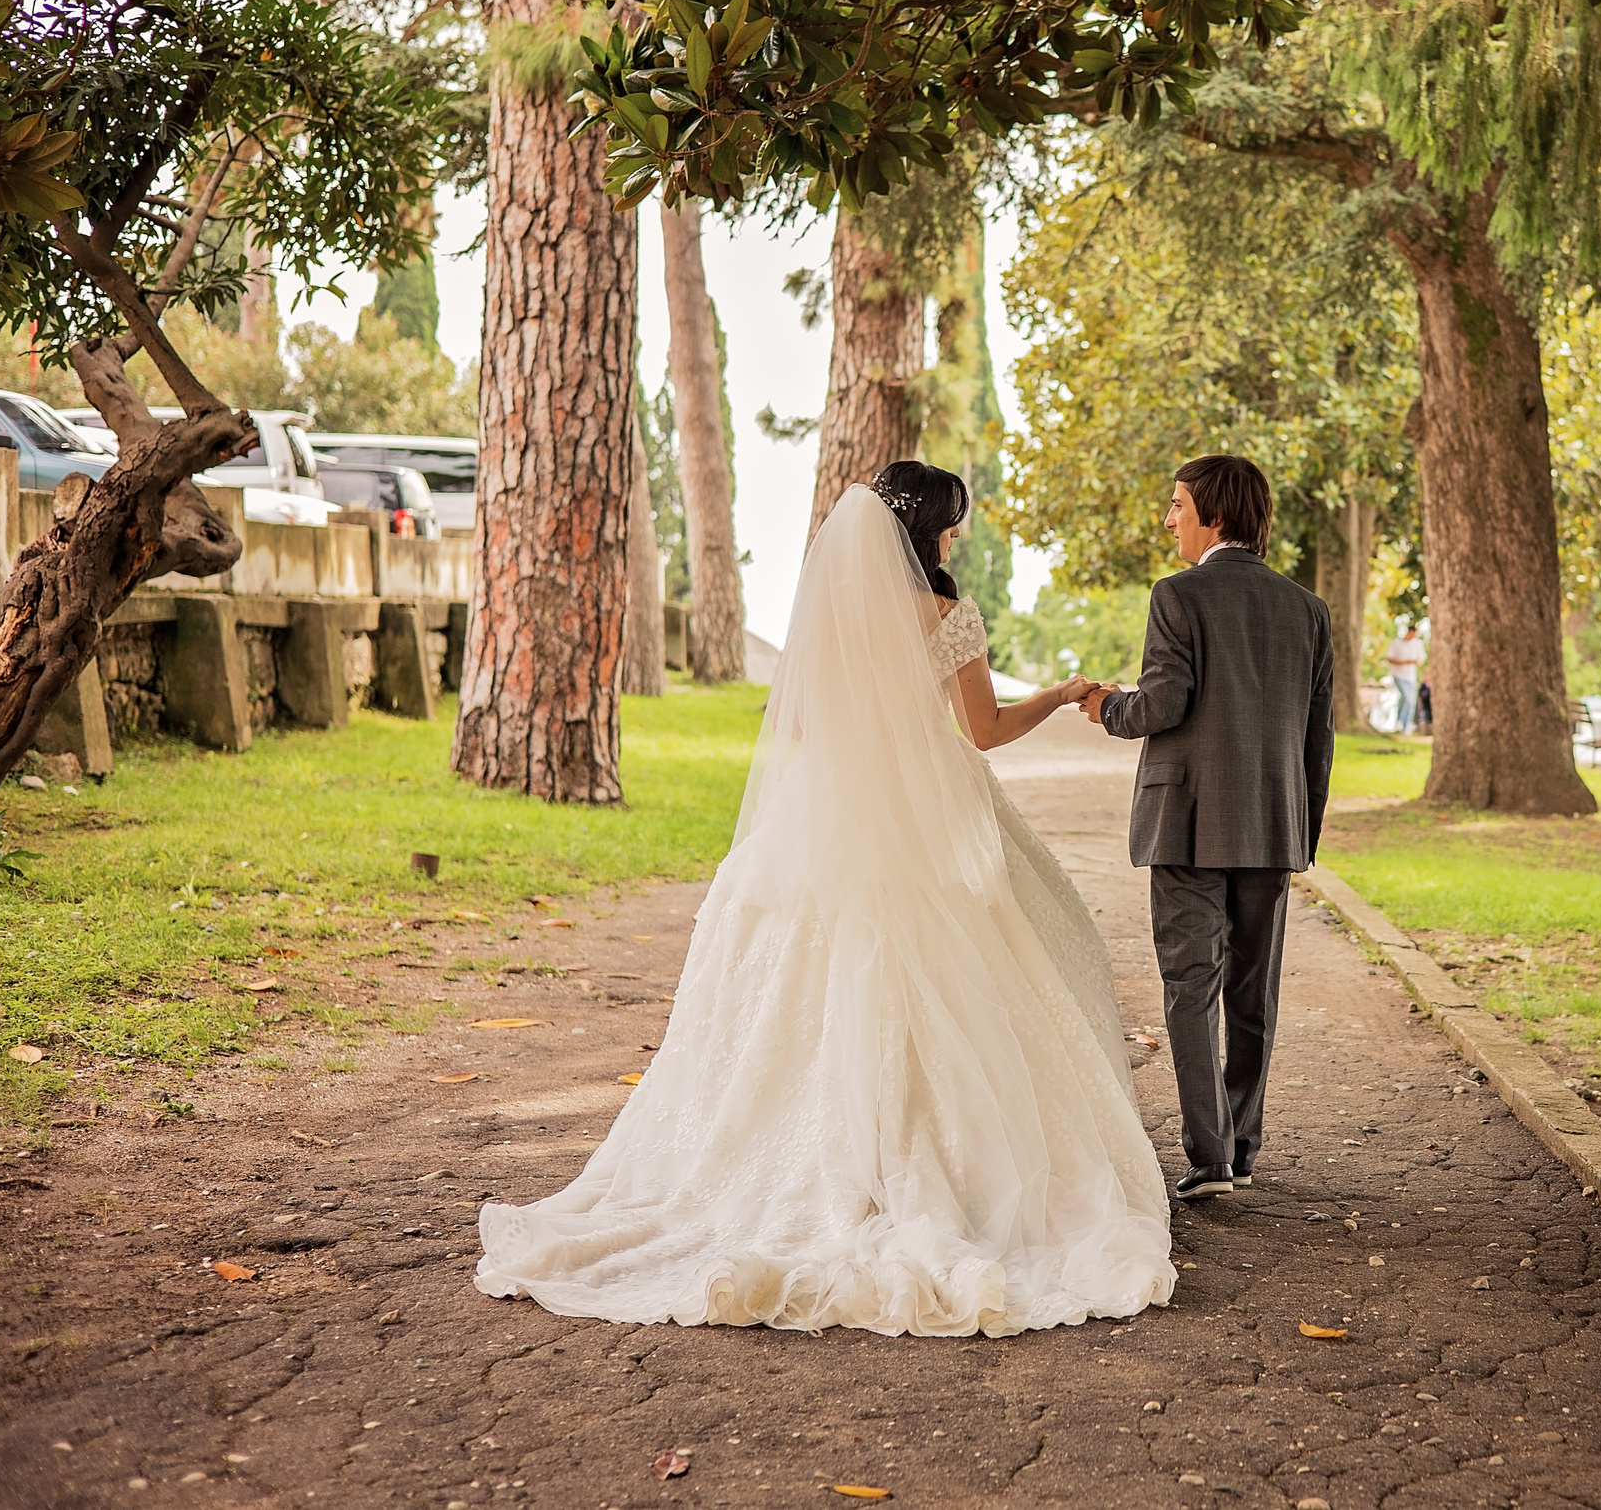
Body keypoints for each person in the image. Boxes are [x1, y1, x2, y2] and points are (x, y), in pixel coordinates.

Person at [471, 463, 1176, 1338]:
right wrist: (1066, 693)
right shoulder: (949, 616)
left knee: (797, 980)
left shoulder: (832, 614)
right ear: (927, 533)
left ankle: (783, 1164)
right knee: (974, 957)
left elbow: (801, 725)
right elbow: (985, 732)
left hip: (824, 806)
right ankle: (931, 1169)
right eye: (953, 524)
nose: (958, 537)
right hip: (926, 811)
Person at [1081, 457, 1335, 1201]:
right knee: (1254, 993)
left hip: (1187, 824)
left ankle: (1210, 1157)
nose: (1169, 518)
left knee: (1191, 985)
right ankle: (1243, 1144)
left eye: (1177, 503)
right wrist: (1300, 830)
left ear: (1212, 513)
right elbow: (1318, 738)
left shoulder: (1178, 596)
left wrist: (1105, 707)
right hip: (1273, 824)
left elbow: (1162, 703)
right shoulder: (1308, 609)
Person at [1382, 618, 1426, 736]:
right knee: (1405, 697)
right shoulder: (1397, 643)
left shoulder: (1417, 644)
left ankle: (1406, 726)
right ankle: (1400, 722)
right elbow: (1390, 658)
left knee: (1411, 701)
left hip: (1410, 676)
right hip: (1398, 675)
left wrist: (1410, 662)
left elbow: (1420, 660)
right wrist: (1404, 662)